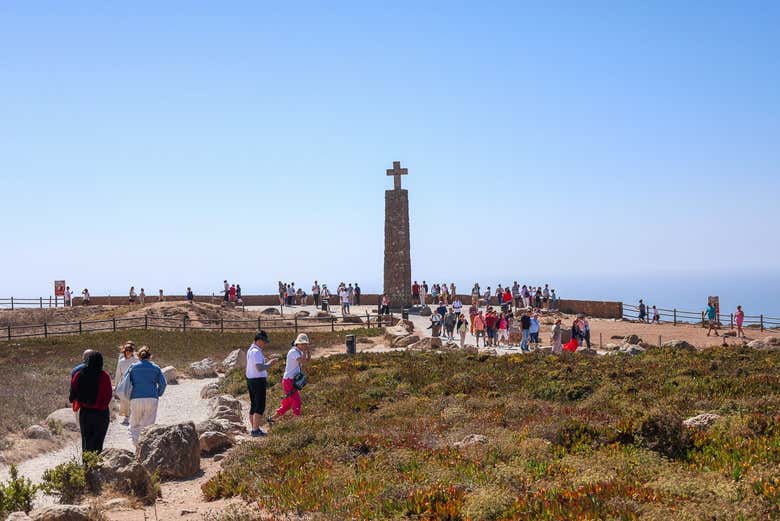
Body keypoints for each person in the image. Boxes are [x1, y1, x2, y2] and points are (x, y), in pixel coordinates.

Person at [121, 346, 167, 445]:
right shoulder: (156, 368)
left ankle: (135, 444)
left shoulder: (133, 367)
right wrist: (158, 393)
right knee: (148, 424)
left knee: (134, 423)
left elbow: (125, 381)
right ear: (150, 356)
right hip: (152, 397)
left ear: (138, 356)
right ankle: (146, 445)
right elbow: (163, 383)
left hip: (136, 397)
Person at [70, 351, 112, 455]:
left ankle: (86, 463)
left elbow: (72, 394)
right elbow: (109, 394)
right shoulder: (104, 376)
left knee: (86, 441)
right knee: (98, 442)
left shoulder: (79, 375)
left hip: (85, 413)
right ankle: (96, 463)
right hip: (101, 414)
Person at [268, 334, 311, 424]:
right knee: (296, 401)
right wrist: (304, 352)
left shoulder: (299, 351)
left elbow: (307, 361)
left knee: (287, 404)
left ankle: (272, 418)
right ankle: (296, 422)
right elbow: (302, 361)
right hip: (289, 381)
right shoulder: (293, 352)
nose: (304, 345)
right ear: (297, 344)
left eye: (306, 344)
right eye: (302, 344)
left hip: (292, 380)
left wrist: (308, 352)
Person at [246, 331, 278, 437]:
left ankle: (254, 428)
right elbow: (259, 368)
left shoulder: (251, 350)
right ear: (259, 341)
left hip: (251, 380)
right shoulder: (256, 352)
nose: (265, 344)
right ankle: (255, 430)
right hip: (258, 380)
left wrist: (265, 361)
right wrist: (270, 363)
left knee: (254, 405)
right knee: (260, 405)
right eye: (264, 342)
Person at [114, 342, 139, 426]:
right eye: (126, 350)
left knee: (132, 400)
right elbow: (118, 373)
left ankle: (132, 416)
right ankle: (127, 416)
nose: (128, 352)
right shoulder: (121, 361)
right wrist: (116, 385)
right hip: (124, 383)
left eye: (129, 350)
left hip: (133, 382)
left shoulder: (136, 361)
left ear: (132, 351)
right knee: (124, 400)